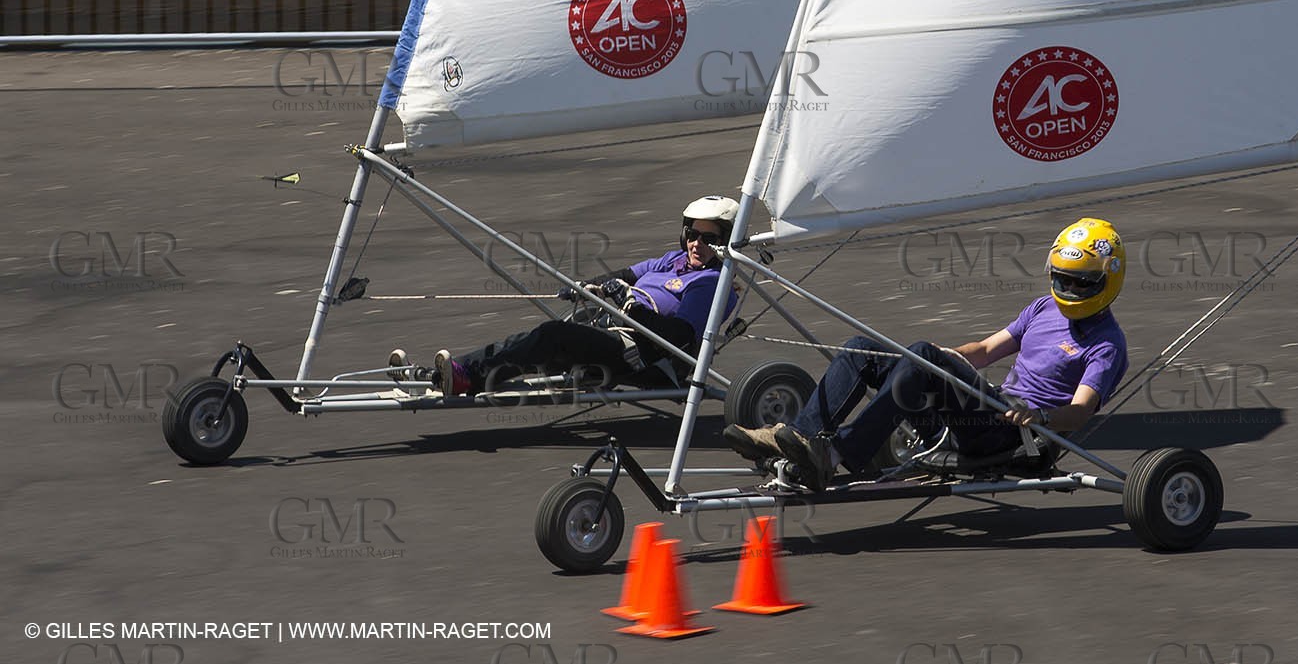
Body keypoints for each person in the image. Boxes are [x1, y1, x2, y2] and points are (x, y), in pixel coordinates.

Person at [723, 217, 1130, 490]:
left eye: (1081, 284)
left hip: (1015, 435)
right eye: (1063, 280)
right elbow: (987, 350)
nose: (1069, 292)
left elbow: (1079, 413)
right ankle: (801, 437)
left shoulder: (1107, 344)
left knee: (923, 357)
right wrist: (945, 355)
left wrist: (1039, 416)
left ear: (1107, 281)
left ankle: (833, 454)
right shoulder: (1043, 308)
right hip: (982, 411)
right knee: (862, 350)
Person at [390, 195, 741, 396]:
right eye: (692, 234)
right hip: (610, 332)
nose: (697, 243)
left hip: (641, 357)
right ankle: (441, 374)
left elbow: (677, 339)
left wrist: (629, 306)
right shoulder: (674, 260)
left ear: (725, 241)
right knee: (529, 341)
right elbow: (625, 275)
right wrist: (587, 287)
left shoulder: (711, 283)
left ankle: (465, 378)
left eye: (709, 238)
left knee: (551, 337)